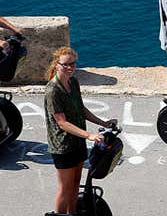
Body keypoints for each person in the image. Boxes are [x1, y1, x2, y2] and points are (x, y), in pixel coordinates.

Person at [44, 47, 118, 214]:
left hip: (77, 142)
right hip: (62, 146)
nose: (70, 67)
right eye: (65, 64)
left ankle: (73, 213)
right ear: (57, 65)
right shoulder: (52, 90)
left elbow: (81, 109)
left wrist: (103, 122)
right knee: (65, 188)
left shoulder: (73, 82)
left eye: (73, 64)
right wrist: (89, 135)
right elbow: (62, 123)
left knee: (76, 185)